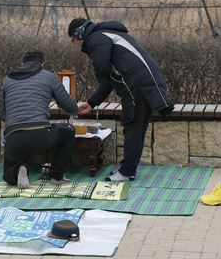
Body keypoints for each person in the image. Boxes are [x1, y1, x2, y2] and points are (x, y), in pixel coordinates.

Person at [68, 18, 174, 182]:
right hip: (142, 84)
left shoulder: (97, 38)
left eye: (73, 40)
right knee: (135, 127)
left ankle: (127, 172)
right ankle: (128, 169)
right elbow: (109, 79)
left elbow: (102, 68)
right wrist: (91, 103)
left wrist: (99, 80)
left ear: (78, 34)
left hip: (136, 85)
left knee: (132, 126)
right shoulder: (108, 34)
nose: (75, 44)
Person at [0, 51, 78, 188]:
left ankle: (19, 169)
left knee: (8, 175)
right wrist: (75, 109)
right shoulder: (48, 76)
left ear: (22, 64)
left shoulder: (7, 79)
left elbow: (2, 112)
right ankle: (56, 176)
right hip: (41, 135)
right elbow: (68, 105)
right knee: (68, 132)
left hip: (13, 135)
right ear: (42, 64)